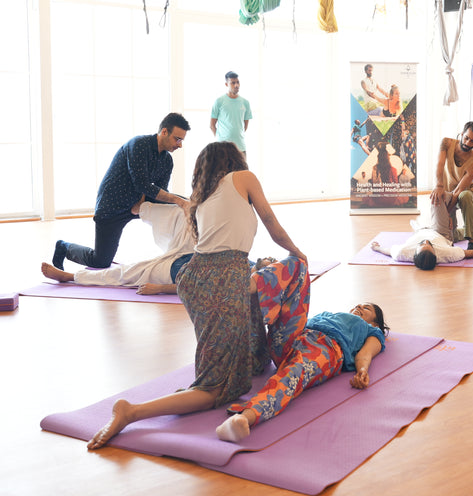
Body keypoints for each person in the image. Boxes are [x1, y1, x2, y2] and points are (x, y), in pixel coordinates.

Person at [87, 141, 305, 450]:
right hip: (222, 280)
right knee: (214, 389)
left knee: (251, 360)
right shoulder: (245, 178)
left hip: (198, 279)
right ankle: (131, 412)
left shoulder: (202, 198)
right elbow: (271, 224)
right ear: (235, 160)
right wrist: (298, 254)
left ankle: (250, 357)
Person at [215, 267, 389, 442]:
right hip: (299, 334)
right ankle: (265, 279)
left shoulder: (371, 331)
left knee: (291, 375)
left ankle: (245, 417)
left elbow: (365, 354)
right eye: (359, 304)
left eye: (366, 308)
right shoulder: (330, 314)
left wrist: (362, 371)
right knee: (286, 292)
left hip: (326, 348)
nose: (359, 306)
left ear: (375, 324)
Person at [53, 113, 191, 270]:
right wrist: (179, 201)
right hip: (113, 206)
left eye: (182, 140)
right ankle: (64, 247)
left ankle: (182, 257)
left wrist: (182, 202)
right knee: (100, 261)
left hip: (138, 203)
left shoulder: (167, 160)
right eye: (177, 139)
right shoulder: (139, 145)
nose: (180, 145)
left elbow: (160, 191)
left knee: (182, 204)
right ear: (164, 132)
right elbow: (142, 184)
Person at [42, 200, 195, 294]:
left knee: (125, 272)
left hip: (176, 270)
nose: (179, 145)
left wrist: (159, 289)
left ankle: (70, 276)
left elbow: (192, 286)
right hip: (188, 256)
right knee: (184, 211)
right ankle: (143, 208)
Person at [370, 191, 473, 270]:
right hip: (442, 232)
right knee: (436, 199)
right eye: (429, 245)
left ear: (414, 253)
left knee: (422, 221)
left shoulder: (402, 253)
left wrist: (376, 248)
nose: (426, 242)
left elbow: (387, 251)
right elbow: (469, 254)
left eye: (422, 244)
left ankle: (418, 226)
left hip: (420, 232)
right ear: (436, 254)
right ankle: (459, 230)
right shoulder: (447, 254)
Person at [430, 121, 473, 250]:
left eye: (472, 141)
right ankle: (464, 231)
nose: (467, 143)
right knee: (449, 235)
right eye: (466, 138)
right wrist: (438, 186)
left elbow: (459, 190)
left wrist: (448, 213)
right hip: (445, 192)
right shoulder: (446, 143)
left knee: (465, 195)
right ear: (461, 134)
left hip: (463, 192)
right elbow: (439, 165)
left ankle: (471, 240)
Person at [210, 71, 252, 156]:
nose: (236, 85)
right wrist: (219, 139)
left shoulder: (245, 102)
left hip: (240, 147)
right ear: (226, 84)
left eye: (237, 82)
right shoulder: (219, 101)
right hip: (222, 148)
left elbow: (245, 125)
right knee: (222, 170)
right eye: (233, 83)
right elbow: (212, 125)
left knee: (242, 170)